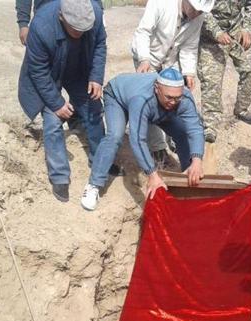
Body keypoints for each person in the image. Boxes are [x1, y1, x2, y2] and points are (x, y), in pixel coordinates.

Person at [18, 0, 106, 203]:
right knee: (52, 119)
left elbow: (100, 44)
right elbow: (38, 72)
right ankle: (59, 176)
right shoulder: (41, 27)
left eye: (84, 29)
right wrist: (57, 103)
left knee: (93, 107)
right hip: (50, 72)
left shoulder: (94, 13)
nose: (81, 33)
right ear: (61, 18)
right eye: (75, 30)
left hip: (78, 68)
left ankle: (100, 161)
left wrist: (95, 76)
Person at [81, 69, 205, 210]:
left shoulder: (183, 99)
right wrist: (152, 174)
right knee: (115, 136)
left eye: (177, 98)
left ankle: (188, 175)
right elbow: (138, 139)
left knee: (182, 133)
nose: (173, 102)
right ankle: (94, 185)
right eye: (169, 97)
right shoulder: (142, 98)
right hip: (118, 98)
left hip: (157, 109)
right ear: (157, 88)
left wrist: (197, 161)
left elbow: (195, 129)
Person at [131, 0, 213, 165]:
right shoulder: (161, 3)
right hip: (148, 56)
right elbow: (143, 32)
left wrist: (189, 71)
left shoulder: (198, 16)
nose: (197, 14)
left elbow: (189, 45)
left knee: (175, 97)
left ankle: (175, 136)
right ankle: (157, 148)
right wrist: (144, 58)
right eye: (196, 9)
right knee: (152, 100)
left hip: (170, 60)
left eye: (200, 11)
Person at [197, 0, 251, 143]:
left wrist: (247, 29)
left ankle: (241, 110)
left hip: (236, 32)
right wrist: (216, 32)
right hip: (211, 38)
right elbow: (199, 8)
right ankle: (210, 125)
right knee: (211, 80)